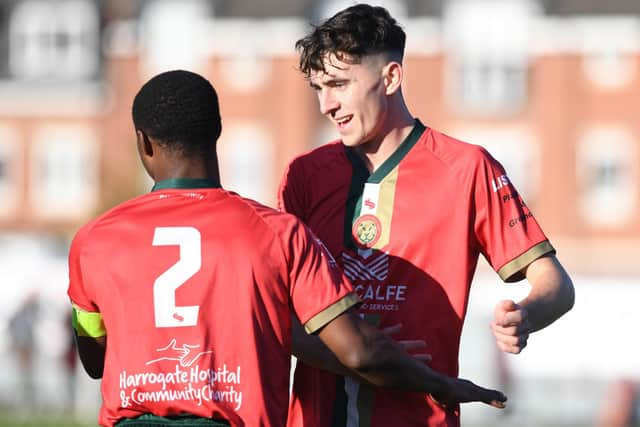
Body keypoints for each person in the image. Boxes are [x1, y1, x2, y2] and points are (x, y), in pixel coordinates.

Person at [66, 70, 506, 427]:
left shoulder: (93, 240)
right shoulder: (279, 233)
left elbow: (93, 358)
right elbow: (359, 352)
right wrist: (440, 383)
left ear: (143, 141)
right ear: (217, 132)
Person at [278, 4, 575, 427]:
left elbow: (556, 284)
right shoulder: (304, 176)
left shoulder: (467, 168)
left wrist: (527, 314)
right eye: (318, 88)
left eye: (339, 84)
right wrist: (371, 359)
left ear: (391, 77)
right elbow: (277, 315)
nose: (326, 104)